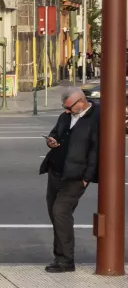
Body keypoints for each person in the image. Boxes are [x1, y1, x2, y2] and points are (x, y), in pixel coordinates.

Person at [39, 87, 100, 273]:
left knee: (60, 212)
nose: (66, 111)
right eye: (64, 107)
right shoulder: (65, 116)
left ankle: (66, 261)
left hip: (76, 176)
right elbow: (55, 132)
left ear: (81, 101)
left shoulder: (96, 118)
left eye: (69, 107)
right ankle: (60, 257)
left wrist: (87, 177)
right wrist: (51, 140)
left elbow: (95, 150)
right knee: (56, 215)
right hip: (56, 171)